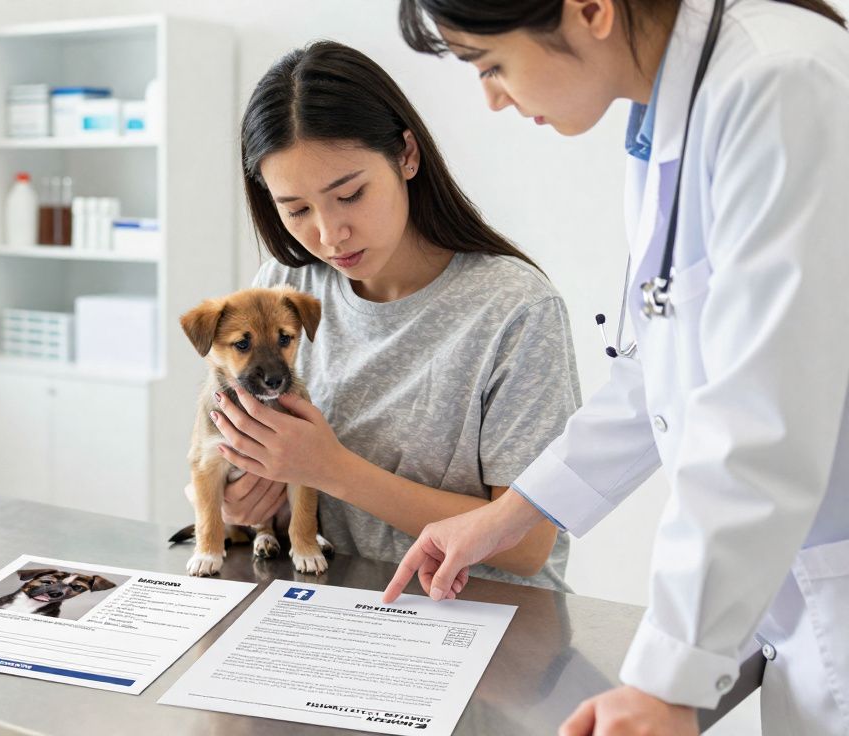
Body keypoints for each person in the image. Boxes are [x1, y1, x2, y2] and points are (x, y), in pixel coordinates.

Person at [380, 1, 849, 734]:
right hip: (801, 596)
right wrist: (507, 513)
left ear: (591, 9)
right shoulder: (671, 117)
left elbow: (762, 415)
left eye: (491, 64)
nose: (492, 98)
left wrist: (667, 684)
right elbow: (660, 372)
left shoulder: (778, 82)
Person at [206, 40, 580, 593]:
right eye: (297, 210)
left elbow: (527, 546)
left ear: (407, 155)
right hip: (330, 606)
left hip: (485, 621)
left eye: (350, 194)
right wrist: (245, 501)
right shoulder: (283, 296)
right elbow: (247, 469)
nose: (329, 235)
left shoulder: (512, 308)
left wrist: (327, 468)